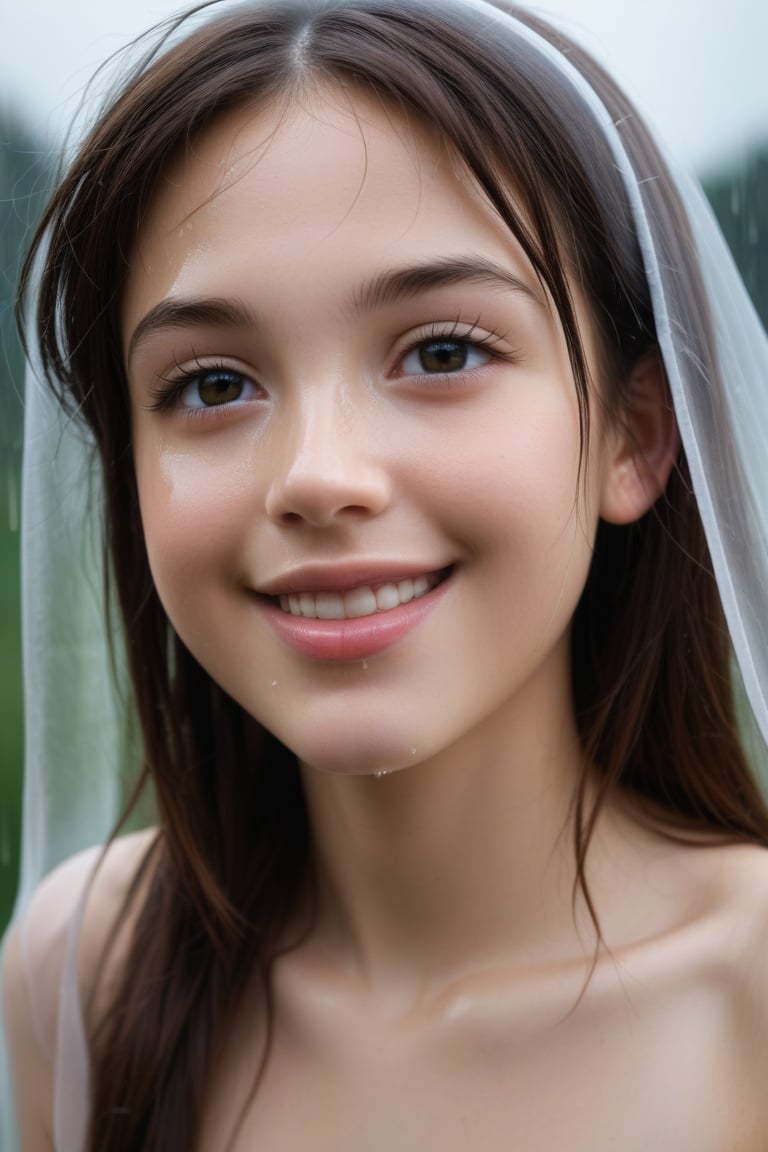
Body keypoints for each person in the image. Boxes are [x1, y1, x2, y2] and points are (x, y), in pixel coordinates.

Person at [3, 0, 768, 1148]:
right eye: (212, 384)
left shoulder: (753, 1000)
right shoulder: (82, 980)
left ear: (636, 435)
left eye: (443, 352)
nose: (319, 478)